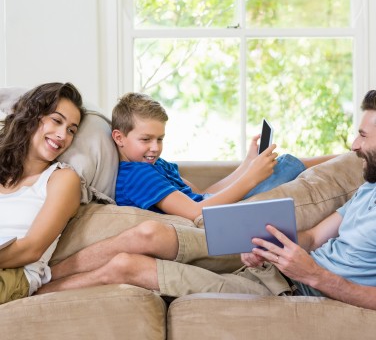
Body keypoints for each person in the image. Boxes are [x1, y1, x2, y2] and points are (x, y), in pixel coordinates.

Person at [37, 89, 376, 310]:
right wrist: (272, 246)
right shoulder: (367, 188)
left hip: (297, 291)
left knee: (129, 262)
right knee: (141, 244)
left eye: (362, 135)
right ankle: (36, 280)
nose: (353, 144)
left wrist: (314, 274)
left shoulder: (152, 167)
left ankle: (32, 287)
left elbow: (200, 203)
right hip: (277, 271)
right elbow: (315, 236)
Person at [111, 93, 335, 220]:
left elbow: (203, 195)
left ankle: (346, 158)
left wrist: (247, 165)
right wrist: (252, 178)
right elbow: (194, 211)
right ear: (119, 137)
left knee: (282, 167)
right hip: (211, 221)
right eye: (146, 139)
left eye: (160, 139)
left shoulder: (155, 165)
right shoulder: (136, 175)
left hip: (214, 210)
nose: (155, 147)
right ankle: (346, 158)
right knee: (284, 166)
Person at [0, 82, 85, 305]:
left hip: (16, 275)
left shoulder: (62, 179)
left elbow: (32, 249)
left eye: (71, 131)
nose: (62, 135)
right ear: (32, 116)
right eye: (57, 121)